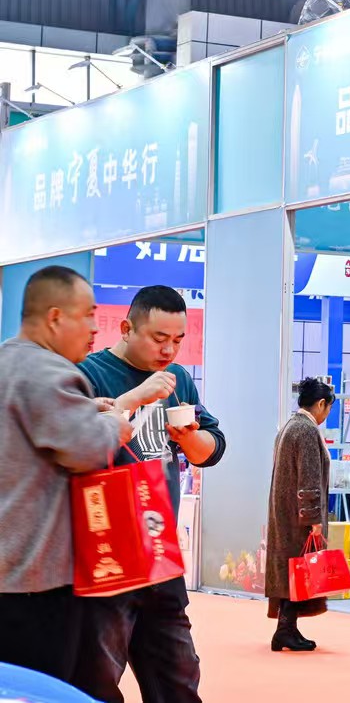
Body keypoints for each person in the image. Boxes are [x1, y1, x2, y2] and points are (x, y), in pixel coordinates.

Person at [77, 286, 224, 703]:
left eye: (178, 340)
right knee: (98, 678)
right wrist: (132, 400)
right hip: (105, 552)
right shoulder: (88, 374)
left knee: (178, 676)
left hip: (160, 550)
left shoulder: (179, 381)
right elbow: (76, 445)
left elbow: (211, 449)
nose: (169, 350)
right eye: (159, 338)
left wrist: (189, 438)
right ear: (126, 329)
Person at [0, 267, 136, 688]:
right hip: (34, 580)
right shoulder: (48, 372)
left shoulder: (8, 361)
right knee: (41, 688)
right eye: (89, 314)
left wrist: (87, 410)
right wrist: (115, 425)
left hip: (9, 574)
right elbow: (86, 450)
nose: (96, 327)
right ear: (55, 318)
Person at [265, 378, 334, 653]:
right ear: (321, 404)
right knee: (299, 571)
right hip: (298, 518)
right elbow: (309, 478)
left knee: (290, 572)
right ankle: (285, 631)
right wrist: (313, 519)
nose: (327, 414)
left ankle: (287, 629)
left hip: (284, 513)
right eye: (328, 408)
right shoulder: (306, 430)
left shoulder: (289, 427)